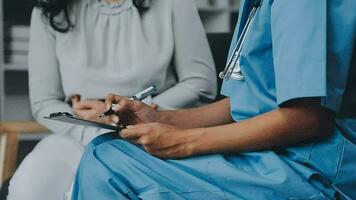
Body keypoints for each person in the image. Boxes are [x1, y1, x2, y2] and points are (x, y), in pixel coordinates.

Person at [71, 0, 356, 199]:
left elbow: (306, 119)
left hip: (314, 170)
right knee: (108, 148)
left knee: (108, 162)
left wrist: (182, 142)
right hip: (273, 154)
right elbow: (249, 104)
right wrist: (159, 118)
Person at [7, 0, 217, 199]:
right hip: (78, 136)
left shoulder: (173, 3)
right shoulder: (49, 9)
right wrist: (92, 129)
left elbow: (200, 83)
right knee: (27, 191)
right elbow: (44, 102)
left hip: (152, 132)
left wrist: (134, 112)